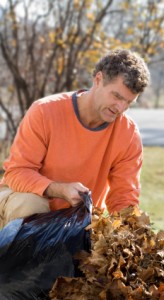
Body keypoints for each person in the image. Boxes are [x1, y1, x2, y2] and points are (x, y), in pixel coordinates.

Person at [0, 48, 150, 229]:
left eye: (128, 102)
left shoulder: (128, 133)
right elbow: (17, 172)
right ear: (98, 79)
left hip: (77, 222)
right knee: (32, 205)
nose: (120, 107)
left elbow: (124, 197)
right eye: (116, 96)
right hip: (20, 201)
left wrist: (132, 235)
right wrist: (60, 189)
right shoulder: (45, 111)